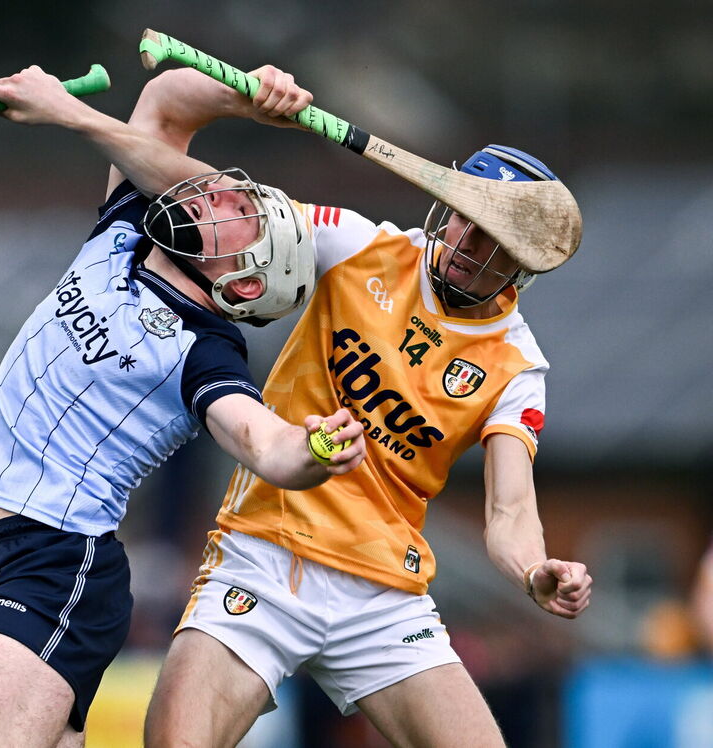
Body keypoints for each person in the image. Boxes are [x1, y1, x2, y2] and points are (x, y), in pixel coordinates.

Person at [138, 67, 596, 748]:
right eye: (465, 225)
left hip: (386, 597)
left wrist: (534, 569)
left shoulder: (517, 366)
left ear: (521, 265)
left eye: (491, 244)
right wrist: (98, 120)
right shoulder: (358, 245)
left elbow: (510, 511)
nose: (466, 248)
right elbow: (215, 204)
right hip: (265, 556)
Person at [0, 66, 367, 748]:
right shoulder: (130, 225)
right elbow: (164, 104)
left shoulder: (207, 351)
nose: (217, 192)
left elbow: (264, 444)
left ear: (246, 280)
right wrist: (246, 98)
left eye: (239, 214)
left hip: (58, 562)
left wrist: (314, 449)